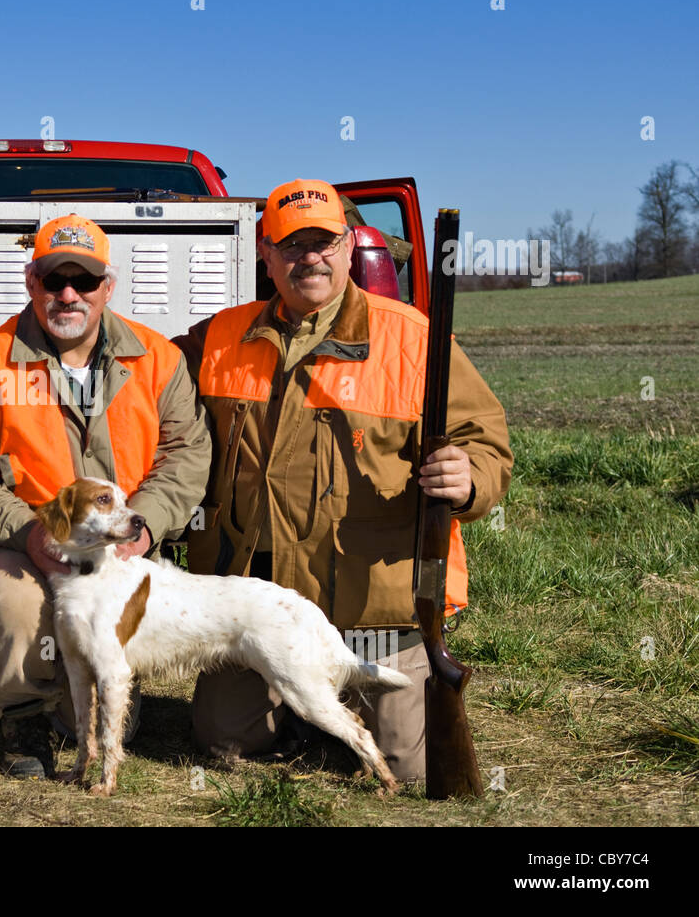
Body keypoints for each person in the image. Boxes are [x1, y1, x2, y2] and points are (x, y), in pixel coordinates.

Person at [174, 179, 513, 782]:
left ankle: (323, 702)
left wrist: (470, 476)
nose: (312, 257)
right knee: (225, 743)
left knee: (409, 766)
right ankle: (303, 706)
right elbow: (146, 379)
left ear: (350, 246)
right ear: (265, 253)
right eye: (292, 244)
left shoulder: (415, 339)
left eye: (325, 242)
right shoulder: (219, 338)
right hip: (261, 591)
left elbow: (484, 439)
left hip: (370, 598)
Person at [0, 214, 211, 778]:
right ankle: (19, 712)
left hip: (118, 548)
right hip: (20, 543)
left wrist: (147, 526)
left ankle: (72, 703)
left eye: (83, 282)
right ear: (31, 283)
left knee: (108, 705)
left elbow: (187, 454)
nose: (67, 295)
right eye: (53, 279)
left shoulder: (158, 360)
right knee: (14, 603)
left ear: (108, 288)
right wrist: (30, 533)